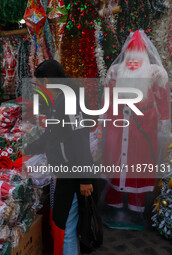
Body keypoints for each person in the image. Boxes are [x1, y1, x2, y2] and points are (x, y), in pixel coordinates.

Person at [21, 59, 94, 255]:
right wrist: (28, 148)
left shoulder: (70, 99)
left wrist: (85, 179)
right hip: (65, 171)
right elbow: (51, 134)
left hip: (72, 172)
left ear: (46, 80)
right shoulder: (63, 97)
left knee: (67, 227)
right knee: (66, 223)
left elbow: (80, 139)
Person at [101, 30, 170, 229]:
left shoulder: (155, 73)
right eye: (129, 59)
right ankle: (114, 205)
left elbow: (162, 98)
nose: (132, 63)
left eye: (136, 59)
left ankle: (135, 209)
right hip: (119, 125)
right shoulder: (115, 72)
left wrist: (165, 120)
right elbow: (108, 97)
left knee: (138, 164)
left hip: (143, 127)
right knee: (116, 164)